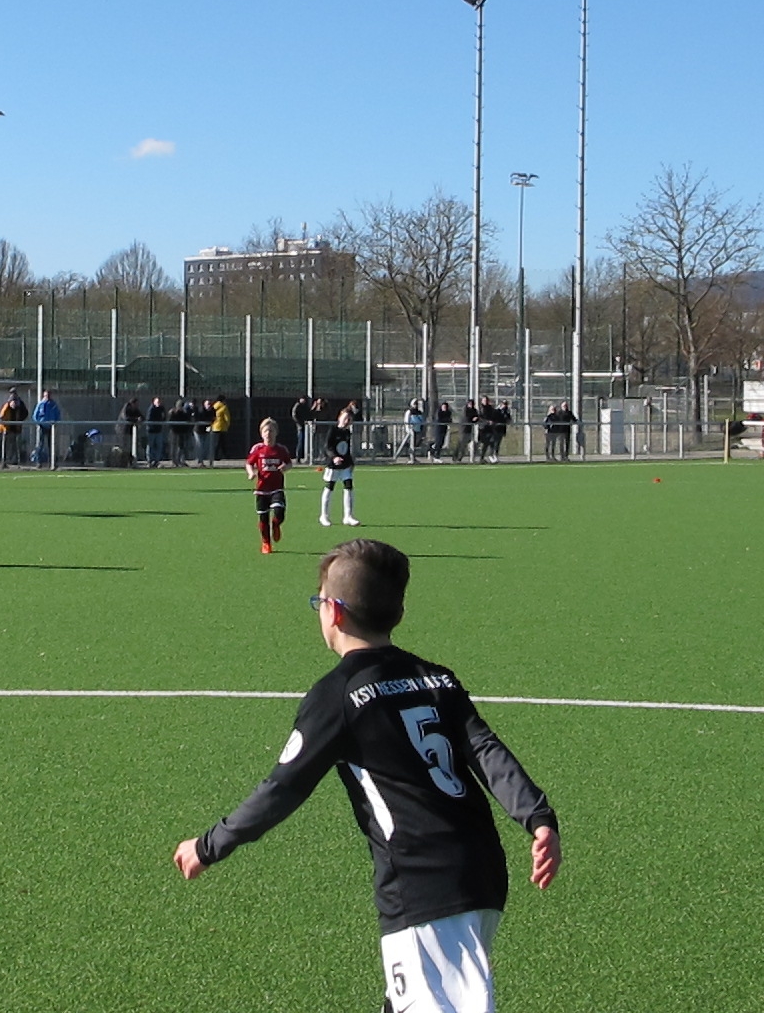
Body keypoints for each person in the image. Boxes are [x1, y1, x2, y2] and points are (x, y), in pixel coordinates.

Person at [173, 538, 561, 1013]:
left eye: (319, 601)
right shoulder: (436, 677)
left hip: (422, 883)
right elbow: (485, 749)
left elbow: (283, 789)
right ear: (397, 613)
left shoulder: (337, 695)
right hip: (482, 870)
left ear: (334, 612)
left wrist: (209, 845)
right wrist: (537, 817)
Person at [245, 418, 294, 554]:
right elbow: (249, 463)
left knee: (279, 511)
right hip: (261, 489)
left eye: (271, 431)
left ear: (276, 432)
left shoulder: (281, 449)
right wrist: (251, 473)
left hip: (277, 488)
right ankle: (266, 542)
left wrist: (285, 467)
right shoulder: (258, 449)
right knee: (263, 518)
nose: (268, 434)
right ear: (261, 433)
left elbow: (289, 463)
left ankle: (276, 524)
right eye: (266, 431)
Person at [320, 408, 361, 528]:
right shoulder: (332, 430)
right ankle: (324, 516)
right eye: (345, 418)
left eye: (349, 419)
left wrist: (351, 462)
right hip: (333, 465)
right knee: (329, 487)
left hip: (344, 466)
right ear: (339, 417)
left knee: (349, 487)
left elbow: (346, 449)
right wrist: (334, 457)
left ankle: (348, 516)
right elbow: (327, 447)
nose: (347, 421)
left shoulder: (347, 432)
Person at [0, 388, 29, 468]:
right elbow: (1, 416)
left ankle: (16, 462)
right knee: (5, 446)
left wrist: (19, 420)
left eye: (14, 393)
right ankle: (4, 462)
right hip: (7, 428)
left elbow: (25, 413)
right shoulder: (7, 404)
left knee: (15, 446)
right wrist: (6, 422)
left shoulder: (21, 404)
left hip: (16, 428)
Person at [32, 390, 61, 466]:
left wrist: (55, 422)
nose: (47, 397)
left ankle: (52, 462)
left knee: (51, 445)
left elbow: (58, 414)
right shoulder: (40, 404)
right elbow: (35, 415)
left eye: (48, 395)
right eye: (45, 396)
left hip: (51, 426)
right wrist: (39, 423)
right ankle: (38, 462)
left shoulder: (53, 405)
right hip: (42, 426)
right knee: (40, 444)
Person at [168, 398, 194, 466]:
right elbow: (170, 422)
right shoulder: (173, 413)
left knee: (181, 447)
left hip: (181, 432)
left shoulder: (184, 413)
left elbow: (188, 420)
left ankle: (179, 460)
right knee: (174, 447)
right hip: (174, 432)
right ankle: (174, 461)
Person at [145, 396, 168, 468]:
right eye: (158, 402)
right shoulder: (151, 409)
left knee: (159, 446)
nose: (159, 403)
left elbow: (164, 417)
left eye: (160, 402)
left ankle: (156, 461)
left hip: (158, 430)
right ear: (154, 402)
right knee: (150, 446)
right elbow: (149, 419)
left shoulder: (161, 408)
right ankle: (150, 461)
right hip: (151, 431)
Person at [210, 394, 232, 464]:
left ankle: (215, 455)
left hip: (214, 427)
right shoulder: (224, 407)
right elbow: (227, 418)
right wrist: (227, 425)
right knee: (222, 442)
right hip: (222, 427)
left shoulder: (214, 406)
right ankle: (225, 455)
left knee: (216, 443)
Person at [452, 398, 476, 463]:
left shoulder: (474, 410)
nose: (471, 405)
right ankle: (456, 457)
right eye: (470, 404)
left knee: (464, 445)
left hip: (470, 429)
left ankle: (459, 458)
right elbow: (466, 419)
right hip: (463, 429)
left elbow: (476, 417)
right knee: (461, 443)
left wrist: (475, 419)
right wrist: (472, 419)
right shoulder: (465, 410)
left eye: (472, 404)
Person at [195, 398, 217, 465]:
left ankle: (208, 461)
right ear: (204, 404)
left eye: (210, 404)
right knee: (200, 446)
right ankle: (200, 461)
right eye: (208, 404)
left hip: (206, 430)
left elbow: (213, 419)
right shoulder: (201, 410)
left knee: (206, 446)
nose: (209, 406)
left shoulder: (212, 410)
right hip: (198, 430)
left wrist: (209, 424)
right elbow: (201, 419)